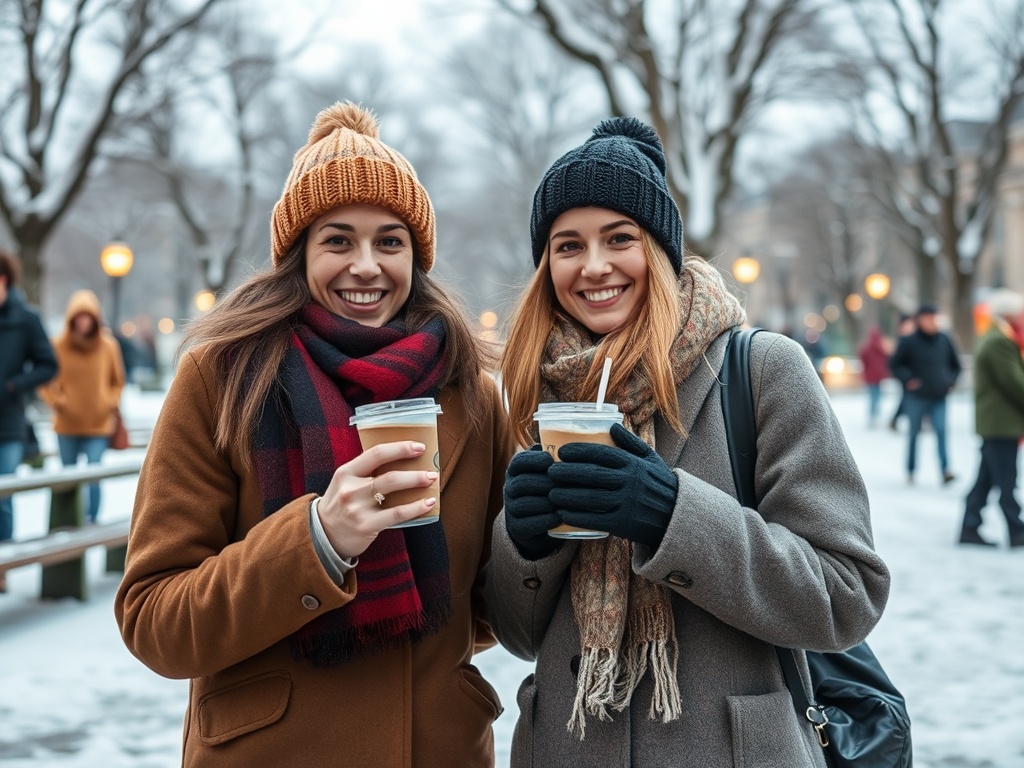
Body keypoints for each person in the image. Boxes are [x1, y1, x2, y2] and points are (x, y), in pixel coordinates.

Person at [114, 103, 514, 767]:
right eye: (338, 240)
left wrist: (540, 530)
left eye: (390, 241)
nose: (366, 265)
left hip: (436, 749)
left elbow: (486, 609)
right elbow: (156, 621)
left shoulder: (466, 388)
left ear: (416, 256)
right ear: (299, 253)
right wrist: (319, 541)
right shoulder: (221, 377)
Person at [487, 117, 890, 767]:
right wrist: (526, 547)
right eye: (568, 245)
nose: (594, 267)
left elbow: (846, 595)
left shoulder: (760, 370)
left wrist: (671, 514)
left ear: (660, 249)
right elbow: (516, 632)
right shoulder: (538, 390)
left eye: (620, 238)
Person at [37, 290, 126, 524]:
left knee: (94, 477)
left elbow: (118, 381)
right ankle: (67, 524)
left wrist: (108, 402)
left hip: (97, 425)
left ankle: (92, 522)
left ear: (95, 319)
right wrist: (58, 401)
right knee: (68, 480)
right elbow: (44, 382)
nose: (83, 322)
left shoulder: (108, 345)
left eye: (88, 317)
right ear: (71, 319)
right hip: (67, 425)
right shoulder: (57, 345)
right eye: (79, 317)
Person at [0, 247, 58, 589]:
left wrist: (12, 386)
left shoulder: (26, 319)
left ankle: (2, 565)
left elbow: (48, 365)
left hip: (8, 424)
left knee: (3, 495)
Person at [957, 289, 1024, 547]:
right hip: (1001, 423)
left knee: (985, 481)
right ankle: (1017, 530)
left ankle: (970, 527)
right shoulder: (999, 341)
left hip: (997, 423)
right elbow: (1015, 383)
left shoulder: (995, 337)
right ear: (1008, 314)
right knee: (1007, 480)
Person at [888, 304, 961, 485]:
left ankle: (945, 470)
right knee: (914, 434)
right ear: (919, 320)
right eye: (927, 317)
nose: (931, 321)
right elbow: (895, 365)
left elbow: (956, 365)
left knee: (941, 432)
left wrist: (950, 381)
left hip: (939, 396)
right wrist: (908, 380)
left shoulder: (944, 339)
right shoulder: (909, 341)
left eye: (933, 317)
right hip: (916, 397)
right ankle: (911, 470)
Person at [857, 325, 891, 427]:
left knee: (873, 396)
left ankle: (873, 415)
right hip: (878, 376)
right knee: (877, 396)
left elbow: (863, 360)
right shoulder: (882, 348)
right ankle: (875, 414)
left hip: (870, 376)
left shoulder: (867, 348)